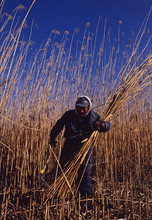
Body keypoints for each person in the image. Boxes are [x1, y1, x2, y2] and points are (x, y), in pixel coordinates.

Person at [49, 95, 110, 196]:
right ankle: (58, 191)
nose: (81, 111)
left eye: (84, 109)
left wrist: (103, 125)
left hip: (85, 147)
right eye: (79, 108)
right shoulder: (69, 115)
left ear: (88, 107)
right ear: (75, 107)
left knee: (84, 170)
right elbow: (58, 126)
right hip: (69, 145)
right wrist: (52, 137)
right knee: (62, 167)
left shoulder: (93, 116)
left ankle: (85, 195)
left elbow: (107, 124)